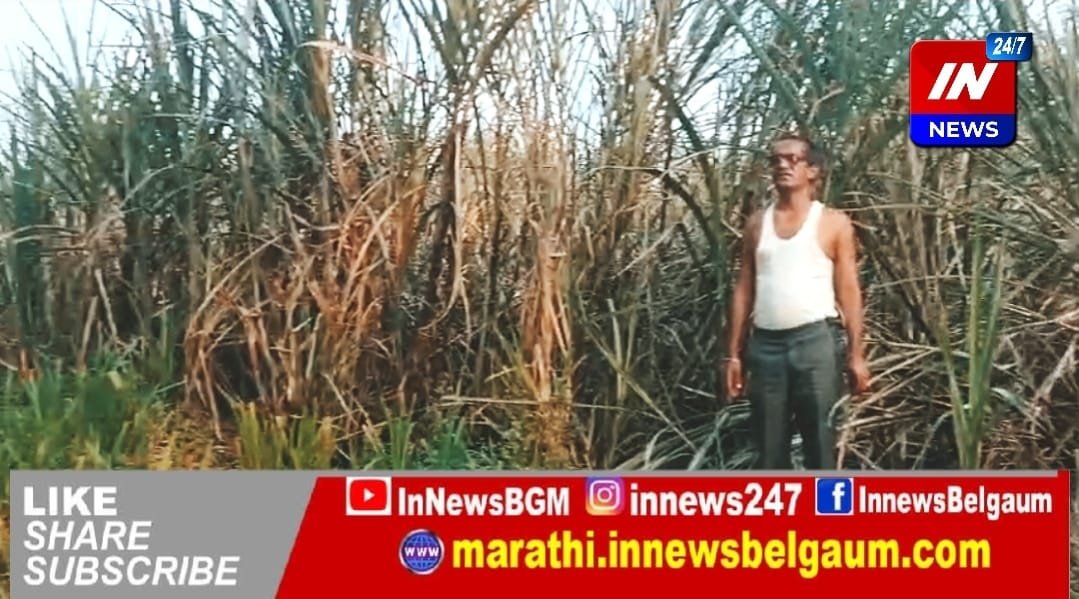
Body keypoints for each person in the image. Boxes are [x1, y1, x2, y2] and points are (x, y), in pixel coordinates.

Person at [723, 133, 871, 470]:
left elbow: (849, 290)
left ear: (813, 170)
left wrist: (856, 355)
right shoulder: (757, 224)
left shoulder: (833, 223)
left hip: (815, 344)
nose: (782, 165)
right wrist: (733, 354)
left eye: (792, 159)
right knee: (768, 449)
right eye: (775, 160)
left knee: (820, 443)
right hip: (765, 347)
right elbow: (744, 290)